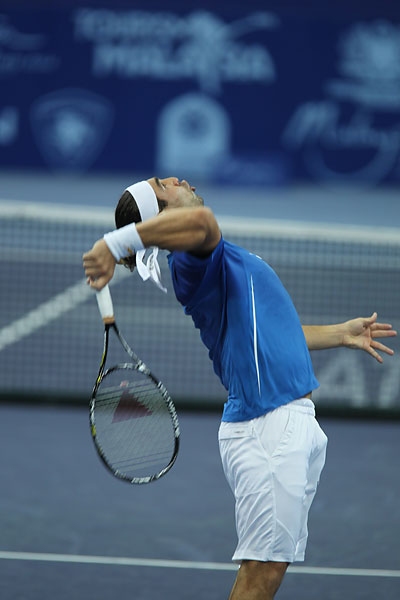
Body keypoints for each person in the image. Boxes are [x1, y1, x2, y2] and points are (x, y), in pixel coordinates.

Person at [83, 177, 396, 600]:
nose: (177, 179)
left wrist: (339, 334)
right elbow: (202, 222)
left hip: (286, 421)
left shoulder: (208, 258)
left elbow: (271, 331)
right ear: (159, 213)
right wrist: (116, 242)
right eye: (163, 185)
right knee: (260, 574)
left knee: (269, 570)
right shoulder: (190, 262)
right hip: (267, 425)